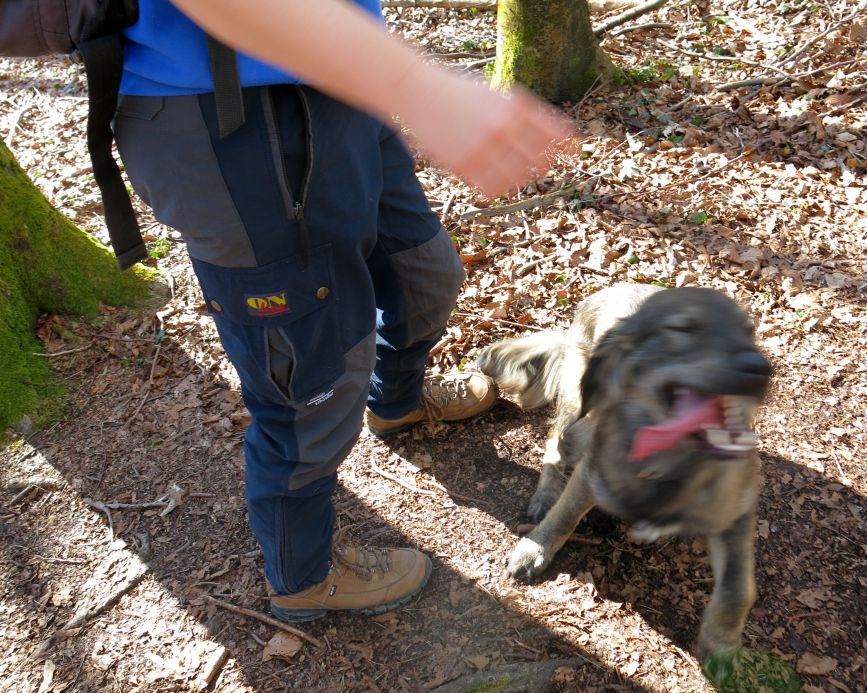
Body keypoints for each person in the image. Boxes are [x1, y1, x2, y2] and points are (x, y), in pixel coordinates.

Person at [112, 0, 573, 621]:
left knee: (423, 272)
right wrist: (419, 84)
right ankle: (303, 577)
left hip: (332, 70)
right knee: (310, 380)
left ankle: (399, 402)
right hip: (218, 114)